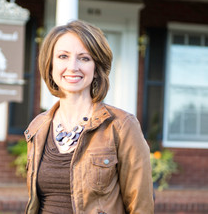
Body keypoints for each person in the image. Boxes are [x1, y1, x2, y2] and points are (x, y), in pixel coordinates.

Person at [24, 20, 154, 214]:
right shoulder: (38, 127)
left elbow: (141, 207)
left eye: (84, 58)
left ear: (96, 68)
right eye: (62, 56)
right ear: (50, 64)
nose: (73, 67)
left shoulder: (121, 126)